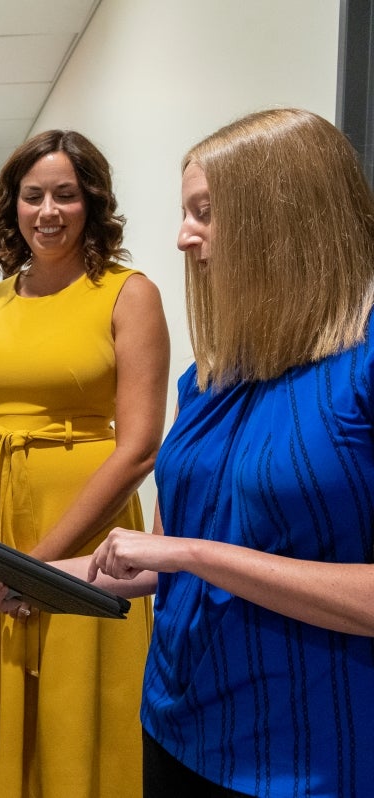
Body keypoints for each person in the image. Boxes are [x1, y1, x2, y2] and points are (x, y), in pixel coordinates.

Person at [86, 108, 374, 798]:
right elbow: (155, 558)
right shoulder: (209, 378)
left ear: (284, 218)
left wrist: (192, 556)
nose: (184, 237)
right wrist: (28, 578)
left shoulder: (362, 369)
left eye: (206, 213)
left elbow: (184, 553)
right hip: (177, 724)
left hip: (307, 757)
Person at [0, 129, 171, 797]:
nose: (47, 211)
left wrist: (39, 569)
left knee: (73, 717)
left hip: (83, 532)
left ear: (92, 203)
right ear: (12, 205)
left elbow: (138, 444)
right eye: (33, 196)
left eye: (65, 195)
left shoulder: (127, 292)